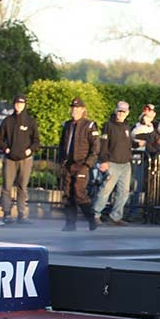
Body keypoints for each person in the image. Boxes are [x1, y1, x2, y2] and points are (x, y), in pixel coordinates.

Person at [58, 98, 101, 231]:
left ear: (83, 110)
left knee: (79, 193)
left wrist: (87, 165)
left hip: (82, 164)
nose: (74, 110)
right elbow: (62, 145)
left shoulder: (89, 125)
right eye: (73, 108)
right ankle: (70, 223)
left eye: (77, 108)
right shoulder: (67, 125)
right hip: (68, 164)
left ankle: (91, 219)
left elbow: (95, 148)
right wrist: (61, 161)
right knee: (68, 194)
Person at [0, 94, 40, 224]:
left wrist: (30, 150)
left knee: (22, 187)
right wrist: (6, 148)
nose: (19, 105)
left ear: (25, 105)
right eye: (17, 103)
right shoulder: (8, 121)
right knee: (7, 187)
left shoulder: (31, 122)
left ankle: (22, 215)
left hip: (25, 159)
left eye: (21, 103)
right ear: (14, 104)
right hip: (10, 159)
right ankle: (6, 213)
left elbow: (36, 141)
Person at [92, 101, 134, 226]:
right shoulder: (108, 125)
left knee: (124, 192)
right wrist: (104, 161)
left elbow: (128, 143)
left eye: (124, 111)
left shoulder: (127, 126)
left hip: (125, 164)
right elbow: (104, 144)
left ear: (127, 113)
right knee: (105, 190)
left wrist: (138, 143)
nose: (121, 113)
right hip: (112, 162)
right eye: (119, 111)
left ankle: (115, 216)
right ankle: (95, 215)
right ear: (116, 111)